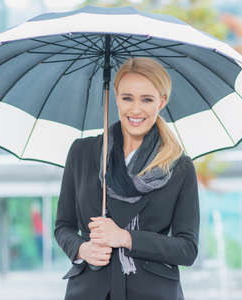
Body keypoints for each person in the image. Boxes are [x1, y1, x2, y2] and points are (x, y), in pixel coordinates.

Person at [54, 57, 200, 300]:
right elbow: (63, 226)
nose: (135, 110)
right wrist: (82, 248)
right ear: (116, 97)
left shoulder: (180, 167)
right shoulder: (82, 153)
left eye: (147, 99)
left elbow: (187, 249)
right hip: (90, 291)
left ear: (161, 102)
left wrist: (126, 238)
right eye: (127, 98)